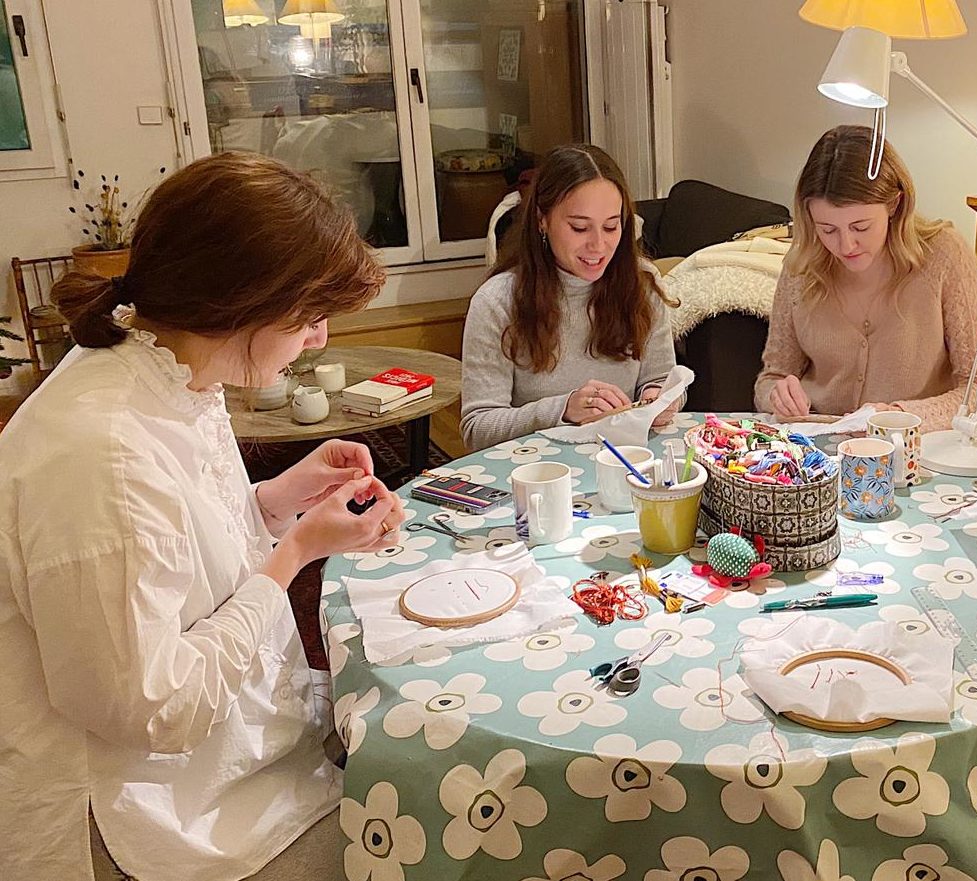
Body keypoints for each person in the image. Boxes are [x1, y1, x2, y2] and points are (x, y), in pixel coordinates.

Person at [0, 152, 408, 881]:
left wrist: (281, 499)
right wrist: (295, 555)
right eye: (308, 315)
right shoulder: (100, 451)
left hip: (215, 761)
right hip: (137, 812)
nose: (318, 338)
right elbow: (156, 709)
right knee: (414, 838)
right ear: (237, 306)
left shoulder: (176, 365)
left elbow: (177, 552)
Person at [754, 125, 977, 430]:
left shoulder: (944, 255)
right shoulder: (802, 267)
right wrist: (777, 397)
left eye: (860, 227)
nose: (845, 245)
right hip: (817, 448)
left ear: (894, 204)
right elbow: (771, 379)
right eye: (827, 229)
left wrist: (898, 416)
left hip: (911, 453)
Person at [459, 144, 678, 451]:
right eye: (579, 227)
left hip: (623, 463)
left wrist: (661, 398)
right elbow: (477, 428)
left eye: (611, 226)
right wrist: (562, 410)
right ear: (542, 220)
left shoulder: (641, 283)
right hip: (535, 475)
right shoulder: (497, 301)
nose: (598, 245)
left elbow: (663, 379)